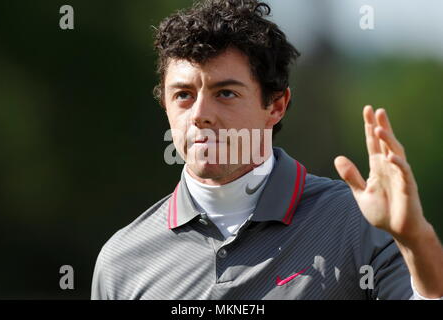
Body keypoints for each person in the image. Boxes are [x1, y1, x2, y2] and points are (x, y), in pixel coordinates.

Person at [91, 0, 443, 300]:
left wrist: (416, 239)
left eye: (225, 93)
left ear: (275, 106)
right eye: (183, 95)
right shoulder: (121, 261)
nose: (199, 115)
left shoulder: (359, 222)